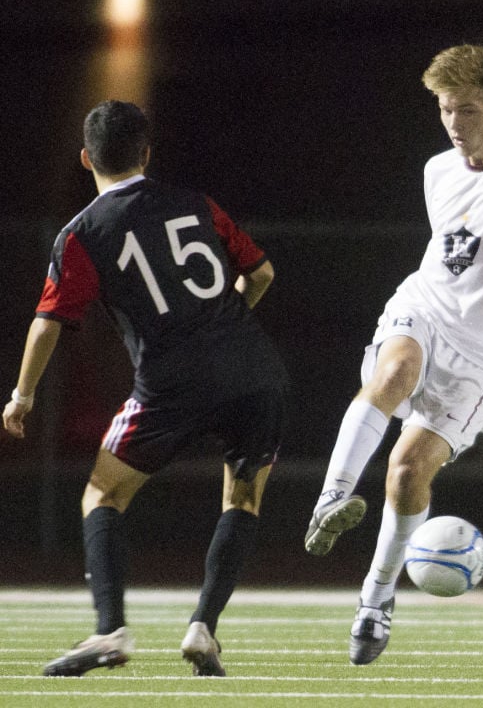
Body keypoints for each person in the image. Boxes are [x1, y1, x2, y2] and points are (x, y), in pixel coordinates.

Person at [303, 44, 483, 665]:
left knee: (408, 473)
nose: (453, 124)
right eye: (443, 110)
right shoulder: (438, 169)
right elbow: (451, 254)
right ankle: (334, 494)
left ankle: (376, 599)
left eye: (465, 111)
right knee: (395, 370)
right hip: (425, 308)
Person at [2, 100, 288, 676]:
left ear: (86, 159)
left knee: (102, 496)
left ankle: (110, 632)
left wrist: (23, 396)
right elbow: (260, 273)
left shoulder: (83, 232)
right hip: (255, 371)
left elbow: (49, 321)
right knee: (242, 498)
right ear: (147, 154)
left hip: (170, 381)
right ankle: (203, 628)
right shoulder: (195, 203)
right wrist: (226, 324)